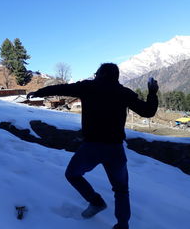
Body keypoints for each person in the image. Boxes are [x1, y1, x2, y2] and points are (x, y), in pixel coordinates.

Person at [27, 63, 158, 229]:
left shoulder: (88, 87)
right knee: (121, 191)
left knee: (73, 174)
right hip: (115, 149)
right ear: (116, 77)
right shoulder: (124, 93)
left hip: (91, 148)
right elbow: (148, 111)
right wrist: (152, 93)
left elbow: (62, 88)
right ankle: (122, 225)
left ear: (99, 75)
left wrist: (39, 92)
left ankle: (95, 201)